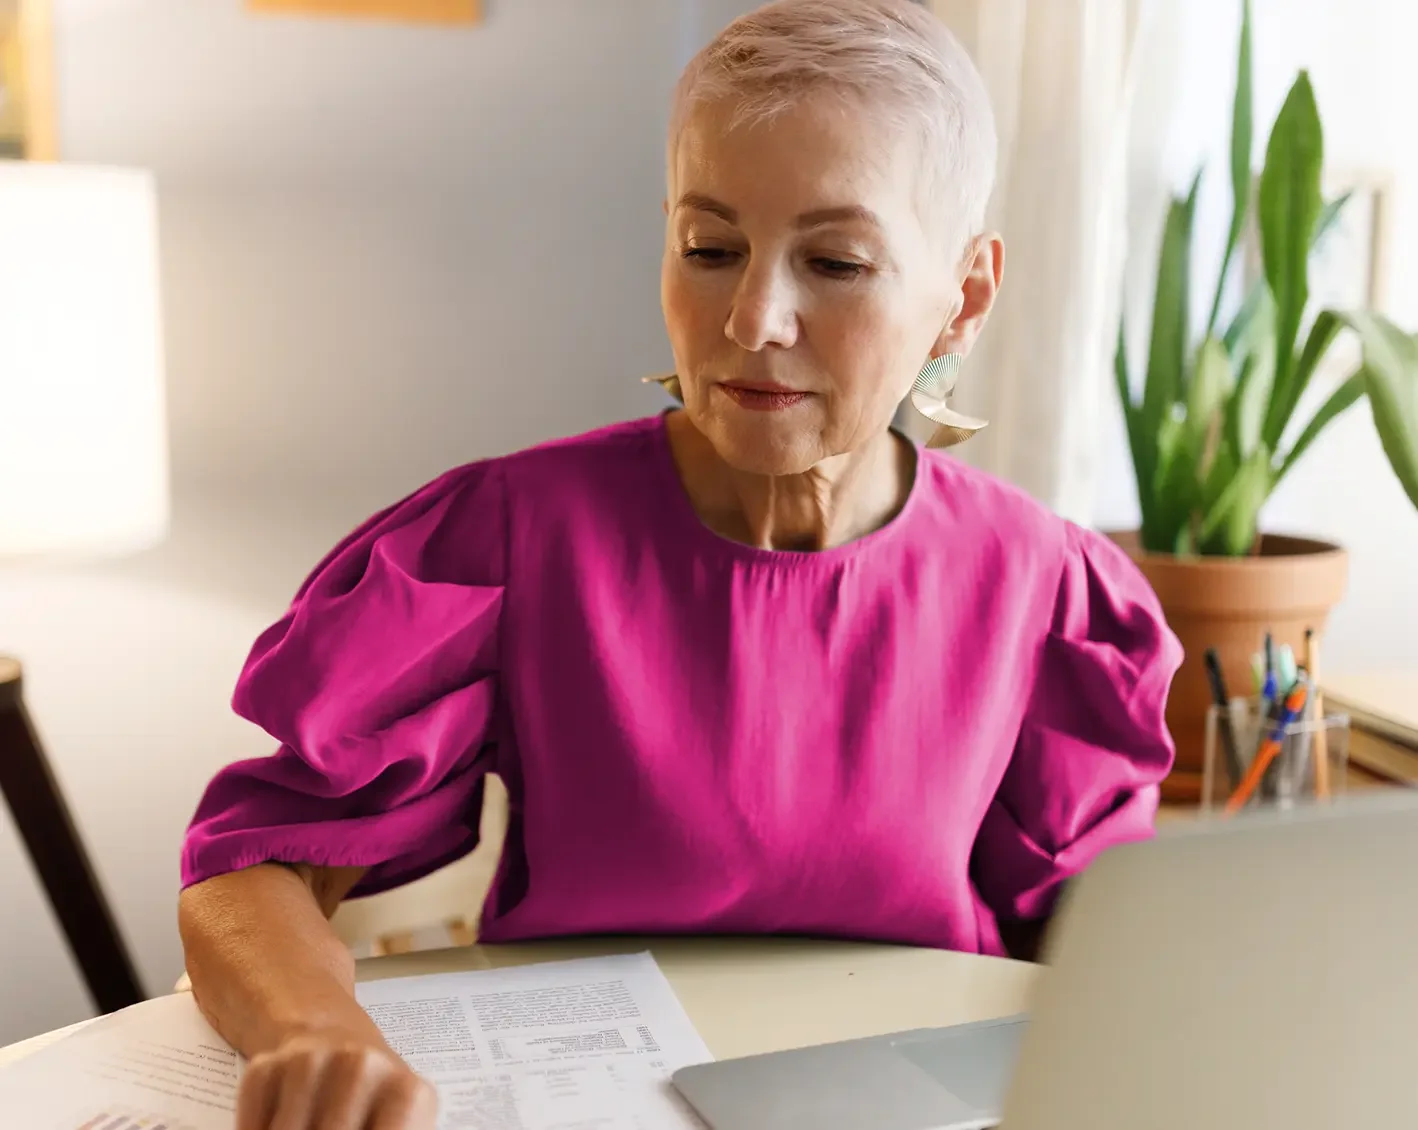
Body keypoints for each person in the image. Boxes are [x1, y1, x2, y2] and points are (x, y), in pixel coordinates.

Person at [178, 1, 1182, 1126]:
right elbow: (248, 868)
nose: (751, 317)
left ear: (964, 296)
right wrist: (317, 1030)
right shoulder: (506, 537)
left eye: (836, 261)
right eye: (709, 249)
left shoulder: (1045, 587)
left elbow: (1102, 951)